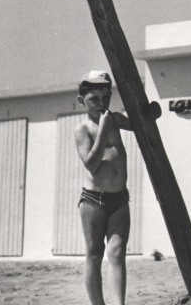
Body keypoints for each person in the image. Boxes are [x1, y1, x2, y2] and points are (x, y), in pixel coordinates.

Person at [75, 70, 133, 305]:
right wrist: (104, 129)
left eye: (105, 97)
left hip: (119, 198)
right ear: (82, 101)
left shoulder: (115, 119)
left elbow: (140, 124)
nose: (101, 104)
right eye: (94, 99)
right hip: (93, 201)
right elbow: (91, 163)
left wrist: (152, 112)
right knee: (95, 253)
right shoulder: (83, 129)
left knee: (118, 254)